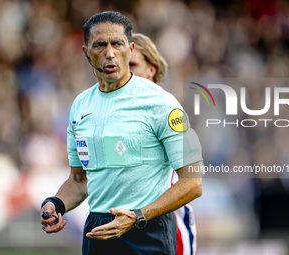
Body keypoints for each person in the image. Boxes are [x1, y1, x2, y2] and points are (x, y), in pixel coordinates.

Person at [40, 11, 203, 255]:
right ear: (86, 52)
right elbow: (79, 181)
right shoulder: (80, 105)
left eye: (117, 44)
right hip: (98, 230)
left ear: (130, 47)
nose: (109, 53)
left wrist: (138, 216)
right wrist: (56, 203)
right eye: (100, 45)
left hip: (147, 229)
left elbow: (193, 183)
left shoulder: (161, 103)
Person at [130, 33, 197, 255]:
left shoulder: (169, 110)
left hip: (166, 223)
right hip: (126, 222)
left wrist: (143, 213)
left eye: (132, 64)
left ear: (152, 69)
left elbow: (194, 180)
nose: (125, 72)